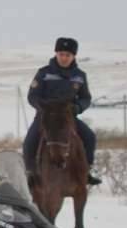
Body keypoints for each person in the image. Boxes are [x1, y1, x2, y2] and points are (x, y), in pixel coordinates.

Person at [23, 37, 101, 185]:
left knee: (90, 137)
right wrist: (43, 108)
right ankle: (30, 173)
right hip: (45, 117)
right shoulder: (43, 73)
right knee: (29, 142)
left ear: (73, 56)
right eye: (61, 54)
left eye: (68, 55)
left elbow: (86, 98)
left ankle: (87, 171)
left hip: (67, 118)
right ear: (56, 54)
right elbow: (32, 96)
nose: (64, 58)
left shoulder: (80, 76)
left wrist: (77, 108)